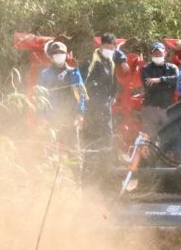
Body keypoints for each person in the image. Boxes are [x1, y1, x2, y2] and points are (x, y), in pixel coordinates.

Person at [38, 41, 87, 171]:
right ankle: (49, 183)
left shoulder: (74, 73)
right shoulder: (44, 75)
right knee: (50, 151)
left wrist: (80, 114)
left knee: (74, 152)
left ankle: (78, 182)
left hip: (70, 119)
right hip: (51, 119)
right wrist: (42, 117)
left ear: (66, 55)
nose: (58, 55)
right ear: (51, 56)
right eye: (55, 53)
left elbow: (81, 95)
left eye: (61, 53)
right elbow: (40, 98)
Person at [81, 33, 127, 150]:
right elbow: (80, 81)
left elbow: (113, 80)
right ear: (101, 45)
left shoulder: (110, 62)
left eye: (112, 48)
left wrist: (113, 95)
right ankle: (89, 157)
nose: (109, 50)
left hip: (105, 104)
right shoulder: (91, 60)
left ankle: (105, 158)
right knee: (91, 132)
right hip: (91, 104)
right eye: (107, 47)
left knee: (106, 132)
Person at [140, 42, 179, 140]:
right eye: (155, 54)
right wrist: (168, 84)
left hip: (167, 109)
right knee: (149, 138)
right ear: (151, 55)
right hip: (150, 109)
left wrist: (160, 80)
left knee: (168, 137)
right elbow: (149, 86)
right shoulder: (145, 69)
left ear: (165, 53)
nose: (157, 56)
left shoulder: (173, 68)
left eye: (160, 53)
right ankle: (148, 155)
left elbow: (178, 80)